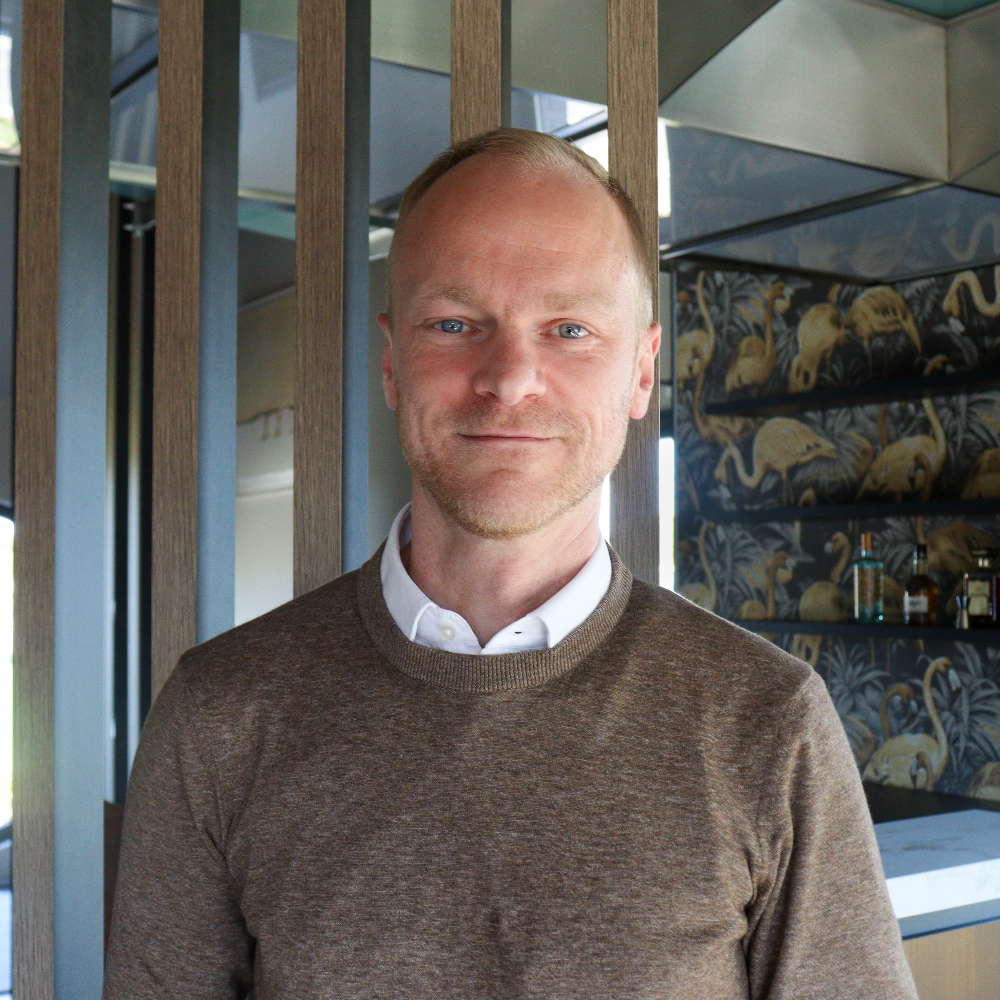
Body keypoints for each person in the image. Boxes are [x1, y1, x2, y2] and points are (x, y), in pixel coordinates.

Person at [103, 128, 917, 999]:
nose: (510, 377)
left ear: (641, 373)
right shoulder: (220, 714)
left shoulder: (767, 723)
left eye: (569, 329)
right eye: (455, 324)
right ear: (391, 359)